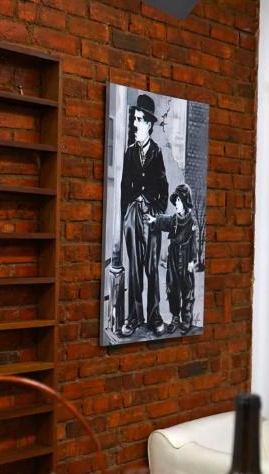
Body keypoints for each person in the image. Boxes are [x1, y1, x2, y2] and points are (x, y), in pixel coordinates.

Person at [119, 93, 168, 338]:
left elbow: (164, 188)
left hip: (151, 218)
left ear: (149, 124)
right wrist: (127, 214)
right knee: (135, 269)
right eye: (134, 119)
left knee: (152, 268)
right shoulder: (129, 153)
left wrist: (156, 213)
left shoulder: (157, 152)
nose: (134, 124)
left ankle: (155, 316)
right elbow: (123, 188)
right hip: (132, 217)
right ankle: (133, 317)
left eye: (139, 119)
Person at [145, 184, 198, 334]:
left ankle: (186, 319)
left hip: (186, 256)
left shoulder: (191, 222)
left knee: (187, 289)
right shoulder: (174, 220)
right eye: (176, 201)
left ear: (186, 203)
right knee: (173, 288)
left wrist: (191, 261)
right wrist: (154, 219)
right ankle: (175, 317)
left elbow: (193, 243)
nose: (176, 204)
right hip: (174, 259)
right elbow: (165, 221)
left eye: (179, 201)